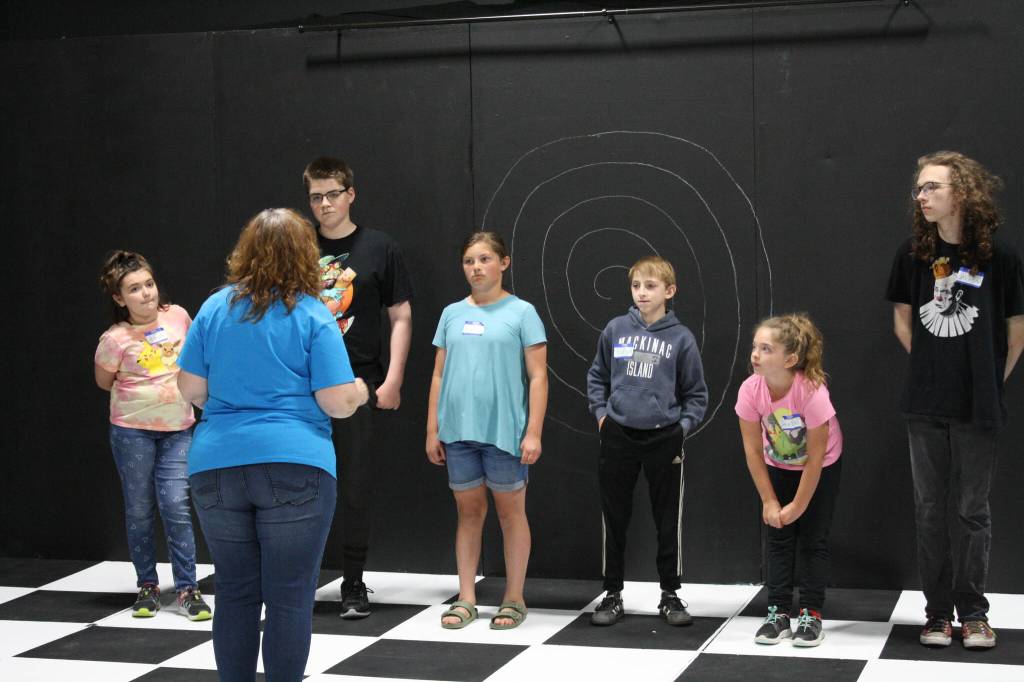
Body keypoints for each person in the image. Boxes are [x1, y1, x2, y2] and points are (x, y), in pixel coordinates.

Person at [177, 209, 368, 680]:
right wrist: (361, 389)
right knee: (288, 595)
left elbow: (191, 390)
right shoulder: (311, 314)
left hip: (216, 464)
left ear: (245, 252)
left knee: (236, 592)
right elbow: (337, 402)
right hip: (295, 465)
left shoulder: (214, 307)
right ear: (306, 255)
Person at [886, 151, 1024, 650]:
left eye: (932, 187)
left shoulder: (1000, 258)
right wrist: (930, 364)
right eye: (919, 188)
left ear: (960, 193)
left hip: (978, 407)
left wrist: (987, 379)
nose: (921, 196)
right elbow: (903, 319)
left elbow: (1017, 331)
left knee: (971, 511)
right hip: (924, 405)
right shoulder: (912, 255)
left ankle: (975, 613)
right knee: (928, 510)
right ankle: (937, 614)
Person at [303, 156, 413, 618]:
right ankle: (300, 579)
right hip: (301, 386)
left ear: (350, 194)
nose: (324, 205)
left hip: (359, 383)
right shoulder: (298, 247)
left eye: (332, 194)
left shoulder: (378, 247)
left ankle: (352, 583)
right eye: (315, 197)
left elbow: (401, 315)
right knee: (300, 485)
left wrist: (392, 379)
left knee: (355, 486)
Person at [425, 231, 548, 630]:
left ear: (503, 263)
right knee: (468, 513)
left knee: (511, 513)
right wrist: (433, 429)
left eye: (484, 259)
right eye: (469, 261)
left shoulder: (522, 313)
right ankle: (466, 597)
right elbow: (439, 374)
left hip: (505, 433)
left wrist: (533, 432)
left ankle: (514, 597)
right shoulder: (451, 314)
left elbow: (538, 377)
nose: (476, 268)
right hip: (459, 432)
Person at [586, 256, 708, 626]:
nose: (642, 293)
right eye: (637, 286)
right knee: (615, 517)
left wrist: (681, 428)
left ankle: (670, 594)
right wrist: (603, 417)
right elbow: (597, 376)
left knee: (667, 518)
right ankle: (612, 594)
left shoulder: (681, 338)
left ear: (669, 291)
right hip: (619, 434)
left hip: (663, 438)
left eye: (651, 286)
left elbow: (696, 393)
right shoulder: (615, 329)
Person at [94, 250, 211, 621]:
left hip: (178, 429)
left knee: (176, 504)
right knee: (140, 508)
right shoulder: (114, 339)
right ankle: (147, 585)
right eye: (134, 289)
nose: (146, 294)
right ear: (118, 298)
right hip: (132, 433)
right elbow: (103, 381)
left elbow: (196, 359)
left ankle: (188, 588)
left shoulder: (178, 316)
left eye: (149, 284)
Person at [735, 314, 842, 647]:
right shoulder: (751, 390)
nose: (756, 354)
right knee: (778, 536)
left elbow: (816, 456)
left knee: (813, 539)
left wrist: (798, 504)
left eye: (766, 349)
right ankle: (778, 612)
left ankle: (811, 613)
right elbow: (753, 450)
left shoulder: (810, 391)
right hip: (778, 465)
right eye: (755, 347)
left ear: (790, 359)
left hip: (819, 467)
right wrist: (769, 500)